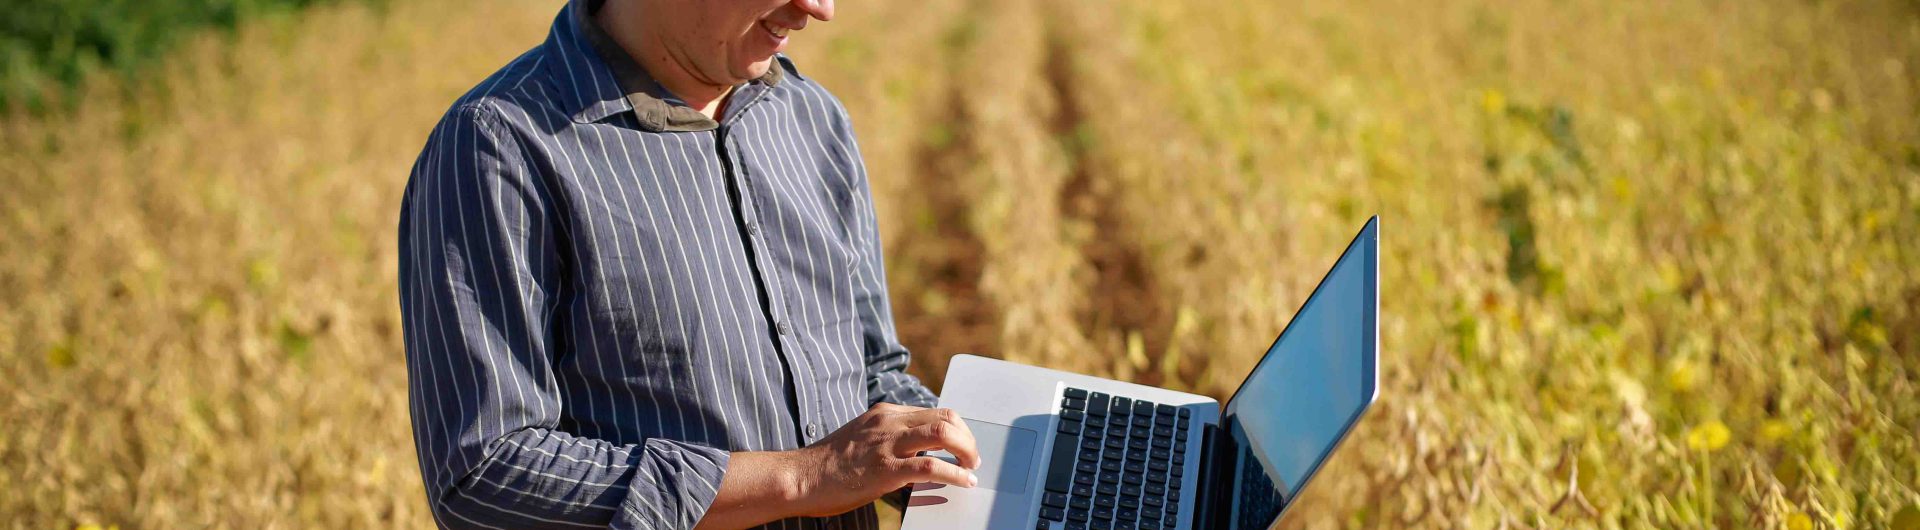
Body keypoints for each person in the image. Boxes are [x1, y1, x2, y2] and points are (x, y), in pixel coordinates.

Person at [396, 0, 981, 527]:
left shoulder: (812, 118)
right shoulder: (497, 146)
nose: (819, 9)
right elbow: (483, 473)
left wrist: (976, 465)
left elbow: (869, 374)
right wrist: (800, 479)